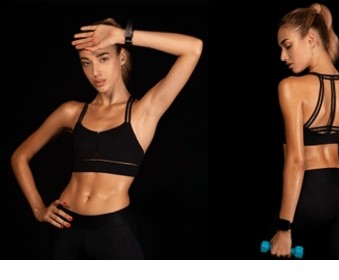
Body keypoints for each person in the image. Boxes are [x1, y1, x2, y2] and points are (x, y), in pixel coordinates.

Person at [11, 18, 202, 259]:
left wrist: (122, 35)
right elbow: (20, 156)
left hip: (112, 231)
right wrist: (38, 209)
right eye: (86, 63)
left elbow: (193, 48)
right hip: (67, 228)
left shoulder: (144, 111)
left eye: (103, 58)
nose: (95, 72)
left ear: (121, 57)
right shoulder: (72, 112)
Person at [269, 3, 339, 259]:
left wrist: (284, 227)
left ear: (311, 39)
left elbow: (296, 160)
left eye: (288, 45)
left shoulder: (291, 87)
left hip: (310, 194)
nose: (283, 56)